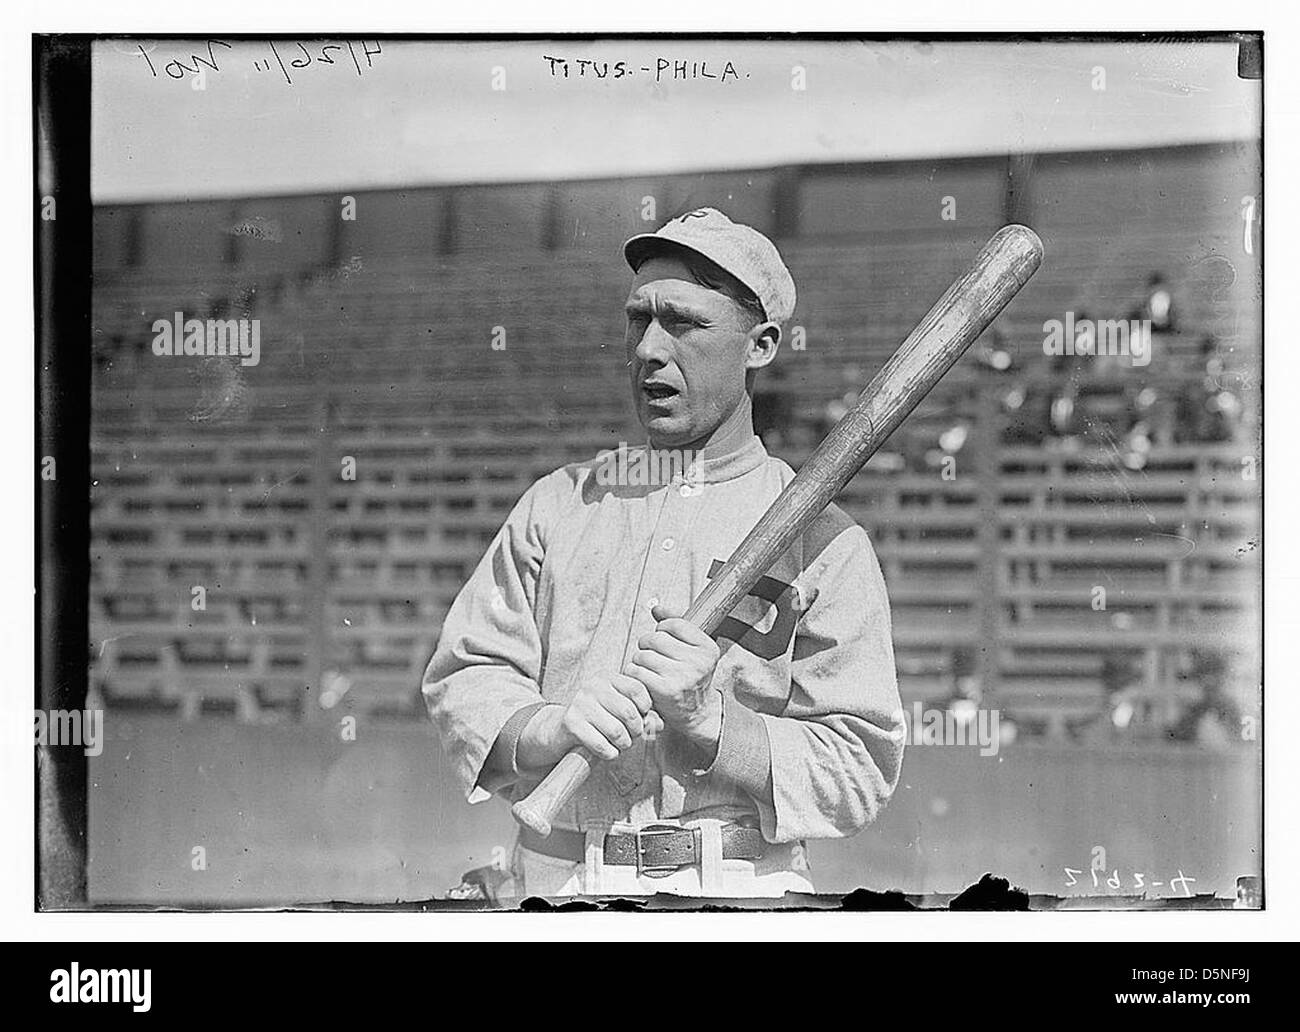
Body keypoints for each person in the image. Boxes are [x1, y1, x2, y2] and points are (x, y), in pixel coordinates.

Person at [423, 208, 904, 898]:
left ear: (760, 345)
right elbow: (466, 676)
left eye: (683, 323)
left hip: (738, 890)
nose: (649, 347)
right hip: (556, 883)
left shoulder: (828, 543)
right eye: (638, 319)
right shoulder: (559, 504)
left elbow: (859, 767)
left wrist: (713, 724)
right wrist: (547, 729)